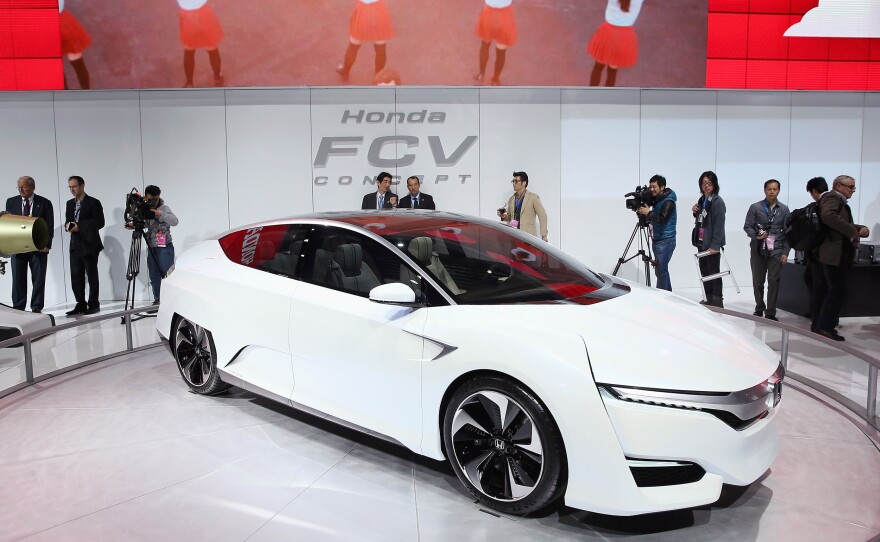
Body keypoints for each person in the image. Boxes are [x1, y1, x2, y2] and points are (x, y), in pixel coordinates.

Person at [812, 175, 869, 341]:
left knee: (827, 290)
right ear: (838, 186)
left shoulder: (837, 200)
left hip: (833, 253)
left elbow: (837, 222)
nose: (853, 190)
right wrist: (852, 231)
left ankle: (820, 325)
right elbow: (828, 216)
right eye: (850, 187)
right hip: (834, 254)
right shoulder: (832, 198)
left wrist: (859, 228)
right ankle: (825, 327)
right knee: (836, 290)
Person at [5, 176, 54, 313]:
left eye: (24, 187)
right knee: (18, 279)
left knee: (38, 279)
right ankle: (18, 307)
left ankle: (36, 307)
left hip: (38, 246)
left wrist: (47, 244)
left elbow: (49, 225)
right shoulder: (11, 202)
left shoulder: (44, 203)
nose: (21, 190)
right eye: (19, 187)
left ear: (33, 187)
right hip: (17, 247)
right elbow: (8, 224)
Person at [743, 179, 790, 321]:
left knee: (774, 281)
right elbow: (747, 226)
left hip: (776, 250)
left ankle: (770, 312)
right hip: (758, 249)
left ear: (779, 191)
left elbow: (788, 232)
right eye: (769, 189)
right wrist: (756, 236)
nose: (772, 192)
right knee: (758, 281)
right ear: (765, 190)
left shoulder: (784, 210)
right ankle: (759, 307)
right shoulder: (755, 207)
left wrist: (785, 252)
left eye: (775, 189)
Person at [64, 176, 105, 315]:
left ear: (82, 186)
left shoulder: (93, 202)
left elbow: (100, 222)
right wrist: (68, 226)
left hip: (89, 244)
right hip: (75, 244)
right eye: (70, 187)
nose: (72, 189)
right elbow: (68, 220)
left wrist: (80, 226)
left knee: (92, 276)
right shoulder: (69, 203)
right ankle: (80, 303)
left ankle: (94, 304)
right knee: (76, 276)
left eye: (74, 186)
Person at [587, 0, 644, 87]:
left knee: (598, 66)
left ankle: (591, 92)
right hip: (624, 37)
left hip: (607, 33)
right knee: (612, 72)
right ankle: (608, 94)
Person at [337, 0, 394, 82]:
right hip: (379, 10)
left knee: (354, 44)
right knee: (380, 47)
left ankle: (345, 72)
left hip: (362, 10)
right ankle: (379, 76)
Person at [692, 171, 726, 308]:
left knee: (714, 272)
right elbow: (702, 219)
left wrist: (715, 245)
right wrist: (695, 212)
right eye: (703, 183)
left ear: (714, 184)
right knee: (705, 271)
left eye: (709, 183)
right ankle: (708, 297)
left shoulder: (717, 202)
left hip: (712, 244)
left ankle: (717, 300)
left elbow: (719, 225)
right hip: (702, 241)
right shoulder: (702, 200)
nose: (706, 186)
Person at [636, 174, 676, 291]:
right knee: (659, 270)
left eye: (654, 187)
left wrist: (648, 212)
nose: (651, 189)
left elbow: (662, 219)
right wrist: (644, 213)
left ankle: (666, 295)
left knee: (661, 270)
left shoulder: (668, 202)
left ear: (662, 187)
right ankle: (663, 294)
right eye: (650, 187)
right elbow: (654, 218)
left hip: (666, 240)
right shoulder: (658, 200)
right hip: (658, 239)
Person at [143, 186, 179, 305]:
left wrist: (160, 213)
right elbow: (147, 223)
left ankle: (172, 299)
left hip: (164, 245)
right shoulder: (146, 207)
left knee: (167, 273)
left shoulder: (164, 208)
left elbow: (175, 221)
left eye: (154, 198)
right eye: (149, 199)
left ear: (158, 196)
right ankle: (158, 299)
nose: (152, 201)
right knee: (154, 274)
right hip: (152, 245)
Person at [177, 0, 225, 88]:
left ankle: (189, 83)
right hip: (203, 13)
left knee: (189, 50)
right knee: (212, 47)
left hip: (187, 16)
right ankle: (217, 78)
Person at [802, 176, 828, 320]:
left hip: (820, 253)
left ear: (813, 191)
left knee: (820, 285)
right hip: (816, 253)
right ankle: (815, 311)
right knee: (812, 280)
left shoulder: (823, 205)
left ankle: (819, 315)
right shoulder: (821, 204)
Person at [474, 0, 517, 86]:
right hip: (505, 15)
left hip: (489, 13)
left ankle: (481, 74)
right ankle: (495, 80)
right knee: (501, 51)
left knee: (485, 45)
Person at [498, 171, 548, 241]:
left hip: (528, 237)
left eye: (516, 181)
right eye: (513, 181)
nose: (514, 184)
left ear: (524, 183)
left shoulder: (533, 198)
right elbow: (510, 217)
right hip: (514, 236)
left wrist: (544, 235)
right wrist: (503, 216)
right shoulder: (512, 198)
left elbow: (542, 216)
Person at [59, 0, 92, 89]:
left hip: (59, 23)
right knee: (60, 69)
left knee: (77, 64)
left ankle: (85, 93)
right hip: (56, 23)